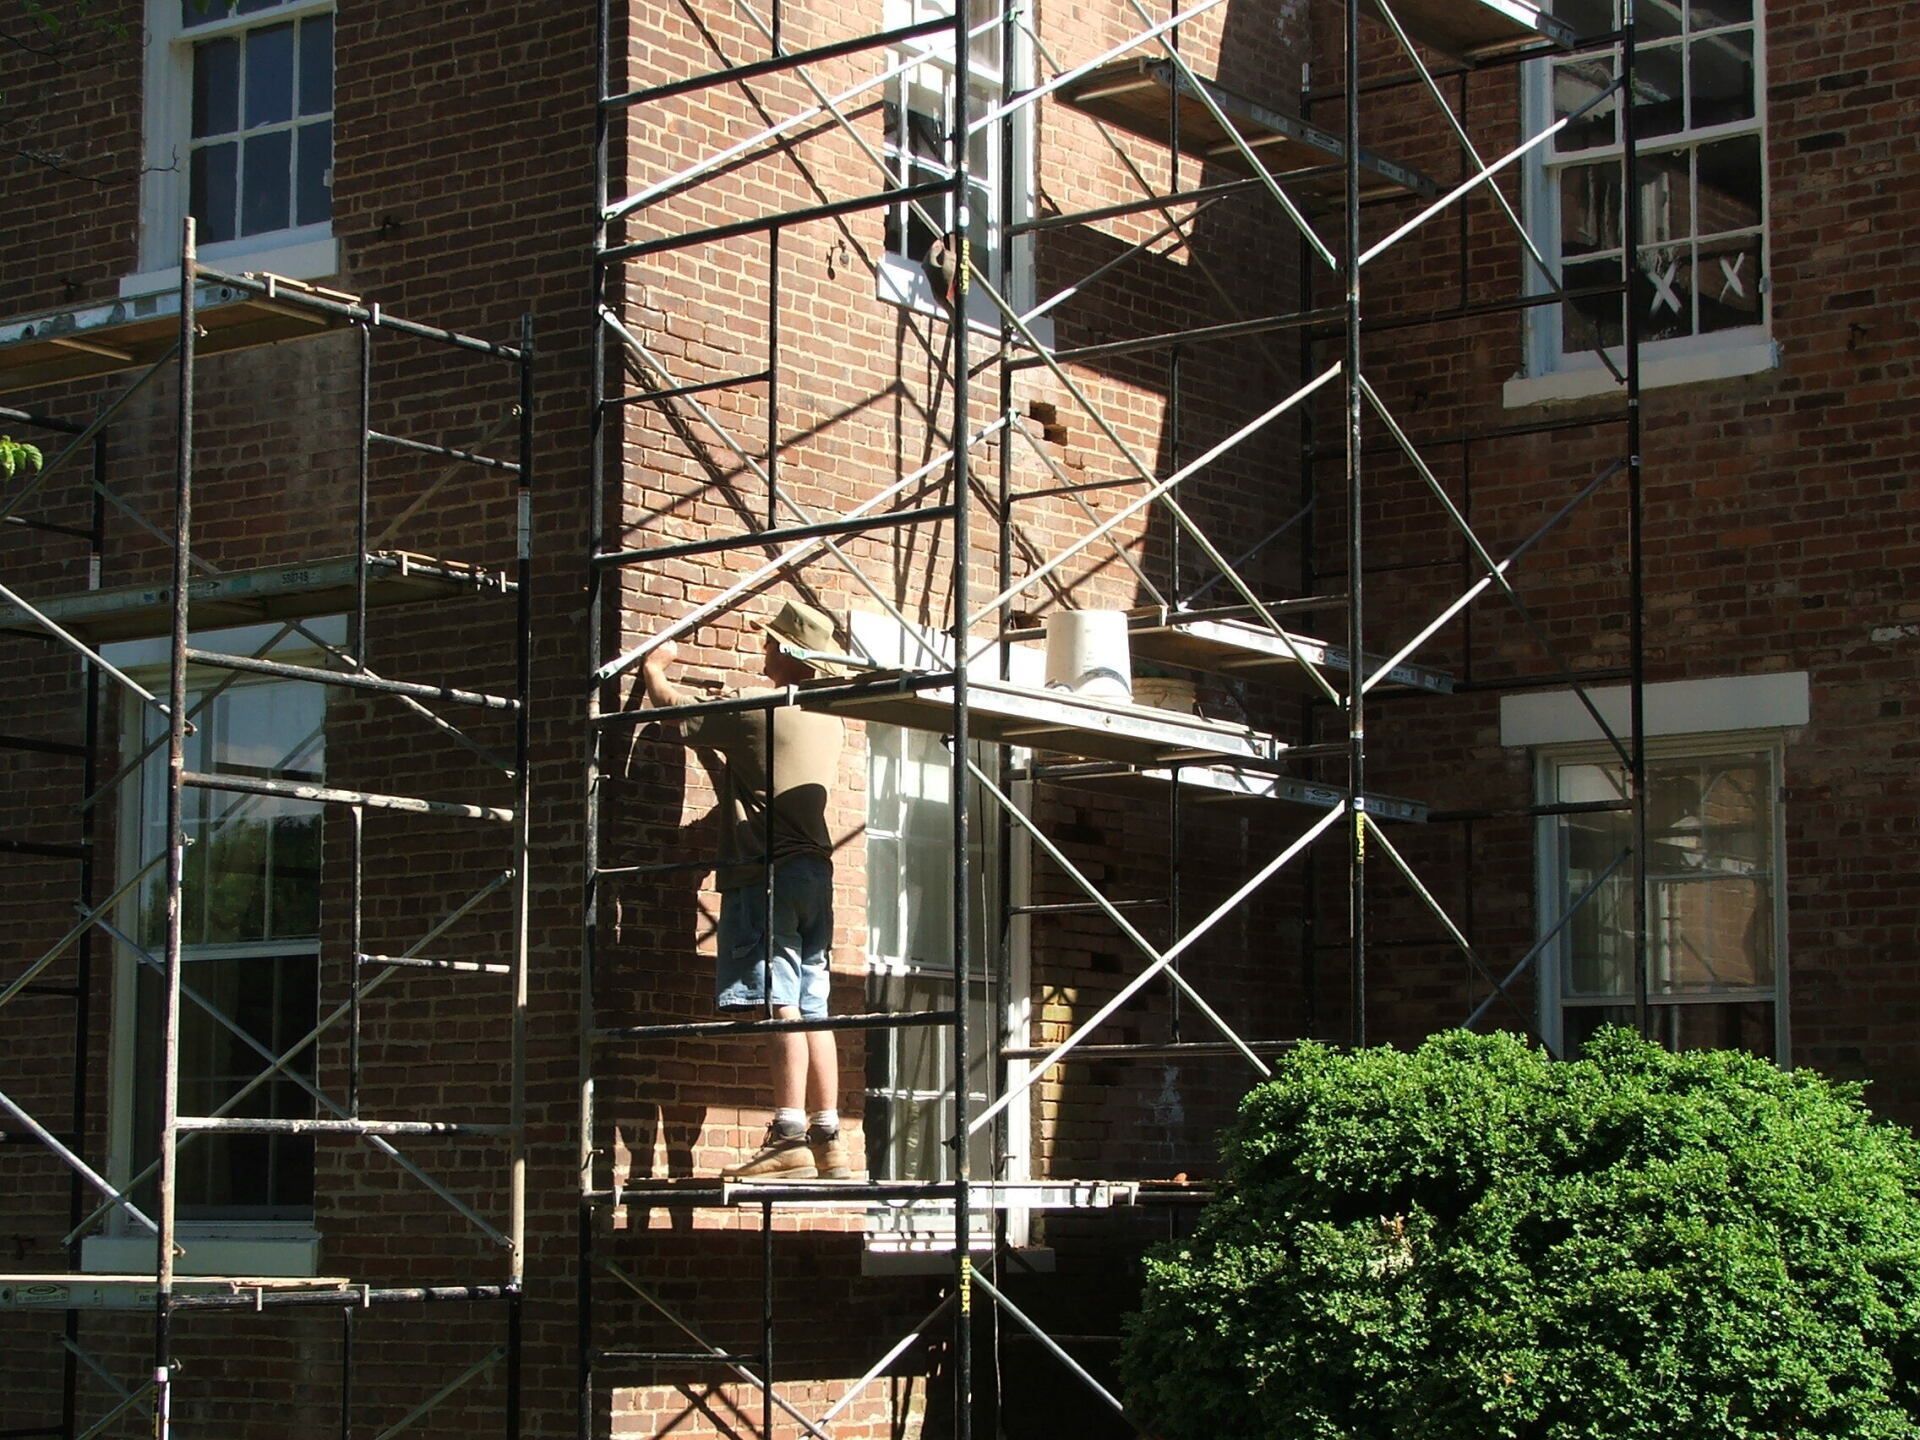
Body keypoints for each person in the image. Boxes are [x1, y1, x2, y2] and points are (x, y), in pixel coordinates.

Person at [640, 598, 850, 1179]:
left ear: (785, 653)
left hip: (768, 876)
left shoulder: (755, 713)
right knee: (814, 1006)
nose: (762, 650)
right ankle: (829, 1138)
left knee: (780, 1002)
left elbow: (672, 711)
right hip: (815, 874)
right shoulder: (827, 719)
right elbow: (754, 768)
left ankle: (787, 1134)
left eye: (768, 643)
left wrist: (656, 667)